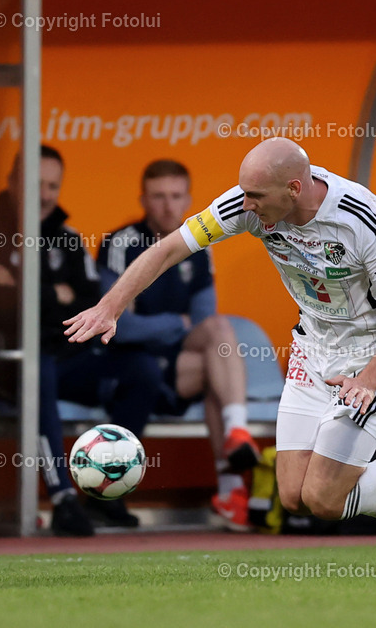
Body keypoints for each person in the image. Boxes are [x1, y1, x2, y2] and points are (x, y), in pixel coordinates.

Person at [67, 138, 376, 551]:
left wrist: (368, 380)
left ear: (294, 189)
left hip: (374, 355)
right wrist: (110, 307)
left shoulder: (365, 222)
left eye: (255, 196)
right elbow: (168, 250)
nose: (245, 205)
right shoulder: (249, 205)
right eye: (244, 193)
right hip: (312, 348)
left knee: (324, 501)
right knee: (293, 496)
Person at [0, 145, 162, 535]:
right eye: (36, 183)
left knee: (142, 371)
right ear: (12, 182)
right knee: (37, 365)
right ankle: (63, 497)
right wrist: (53, 294)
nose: (45, 194)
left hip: (66, 359)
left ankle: (104, 494)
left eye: (52, 185)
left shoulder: (69, 238)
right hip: (1, 365)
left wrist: (33, 292)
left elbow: (89, 306)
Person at [98, 159, 261, 530]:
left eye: (175, 196)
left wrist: (169, 327)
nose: (168, 205)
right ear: (143, 199)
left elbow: (203, 322)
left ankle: (237, 437)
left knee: (219, 334)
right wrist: (176, 323)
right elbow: (117, 326)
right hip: (131, 370)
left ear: (188, 199)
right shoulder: (120, 244)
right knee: (213, 370)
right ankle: (232, 488)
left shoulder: (200, 247)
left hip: (181, 366)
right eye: (158, 196)